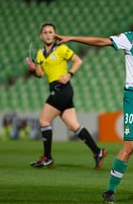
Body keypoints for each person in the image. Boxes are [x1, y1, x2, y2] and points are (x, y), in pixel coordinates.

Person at [54, 7, 133, 204]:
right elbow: (102, 41)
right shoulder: (131, 38)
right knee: (130, 145)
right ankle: (110, 191)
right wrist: (72, 38)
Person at [26, 23, 107, 169]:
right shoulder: (39, 53)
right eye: (45, 32)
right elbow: (40, 74)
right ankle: (98, 151)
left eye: (51, 32)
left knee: (44, 120)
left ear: (55, 34)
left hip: (62, 88)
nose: (48, 34)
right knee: (73, 125)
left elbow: (78, 60)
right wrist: (33, 69)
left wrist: (69, 74)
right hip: (60, 90)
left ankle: (47, 157)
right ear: (41, 36)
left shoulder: (61, 49)